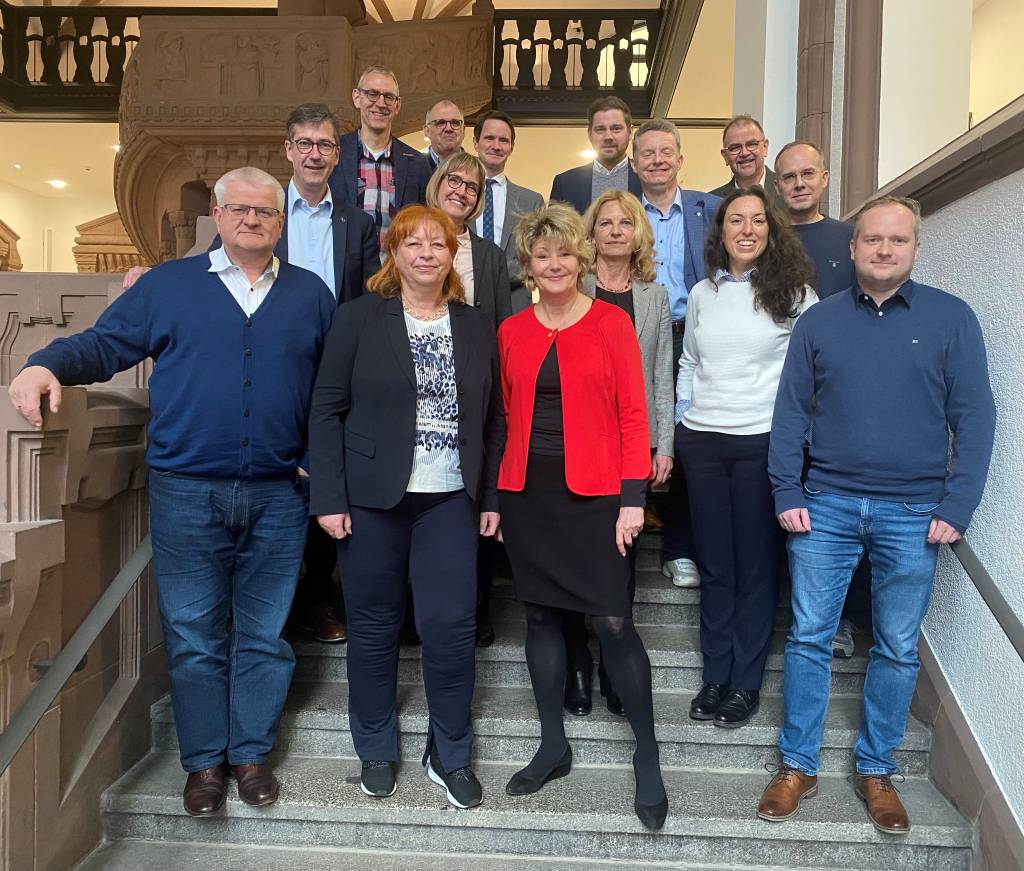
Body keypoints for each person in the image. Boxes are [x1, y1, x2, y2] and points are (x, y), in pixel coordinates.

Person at [8, 166, 336, 817]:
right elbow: (105, 344)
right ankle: (205, 765)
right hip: (186, 490)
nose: (252, 219)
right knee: (193, 634)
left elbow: (331, 390)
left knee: (265, 635)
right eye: (240, 208)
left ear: (281, 222)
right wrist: (44, 363)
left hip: (278, 495)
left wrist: (313, 463)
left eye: (265, 211)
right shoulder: (169, 285)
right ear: (219, 211)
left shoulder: (309, 294)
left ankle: (250, 756)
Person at [758, 196, 995, 834]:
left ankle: (876, 769)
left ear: (915, 248)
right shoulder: (820, 321)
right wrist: (787, 491)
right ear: (853, 247)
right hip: (826, 503)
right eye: (872, 239)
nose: (884, 249)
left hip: (915, 511)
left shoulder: (951, 319)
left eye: (897, 240)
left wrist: (959, 504)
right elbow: (790, 412)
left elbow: (975, 418)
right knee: (809, 637)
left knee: (895, 645)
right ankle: (797, 765)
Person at [308, 205, 505, 810]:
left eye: (437, 244)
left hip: (450, 499)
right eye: (412, 243)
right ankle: (376, 747)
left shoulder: (475, 325)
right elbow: (326, 409)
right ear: (392, 252)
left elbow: (494, 419)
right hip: (371, 499)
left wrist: (490, 496)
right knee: (373, 627)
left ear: (452, 256)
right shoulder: (358, 317)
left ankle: (450, 753)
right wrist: (329, 496)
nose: (425, 253)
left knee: (450, 628)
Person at [497, 203, 667, 831]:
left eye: (565, 253)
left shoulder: (610, 323)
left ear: (582, 260)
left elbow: (634, 415)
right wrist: (495, 497)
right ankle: (552, 745)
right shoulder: (512, 329)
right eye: (542, 255)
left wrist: (633, 498)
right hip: (528, 493)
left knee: (613, 622)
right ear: (528, 265)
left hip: (597, 494)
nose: (554, 264)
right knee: (541, 617)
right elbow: (502, 416)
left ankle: (647, 755)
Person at [678, 187, 817, 728]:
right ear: (721, 231)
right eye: (736, 220)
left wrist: (796, 438)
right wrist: (684, 417)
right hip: (703, 442)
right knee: (715, 565)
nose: (747, 230)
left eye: (758, 220)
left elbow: (812, 375)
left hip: (763, 442)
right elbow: (689, 361)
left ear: (771, 230)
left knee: (756, 567)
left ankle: (745, 682)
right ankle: (715, 675)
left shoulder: (797, 295)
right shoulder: (703, 292)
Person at [555, 189, 674, 719]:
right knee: (572, 556)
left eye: (626, 222)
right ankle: (577, 661)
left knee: (620, 558)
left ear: (639, 232)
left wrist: (663, 445)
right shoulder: (572, 285)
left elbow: (662, 374)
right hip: (573, 441)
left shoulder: (654, 295)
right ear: (592, 232)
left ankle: (612, 662)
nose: (616, 231)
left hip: (631, 444)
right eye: (605, 223)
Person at [774, 139, 864, 659]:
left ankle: (839, 619)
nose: (799, 183)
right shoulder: (764, 235)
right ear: (777, 184)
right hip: (775, 395)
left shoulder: (848, 239)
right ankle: (791, 612)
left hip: (836, 397)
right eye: (789, 176)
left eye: (808, 174)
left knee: (833, 512)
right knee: (786, 507)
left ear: (825, 178)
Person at [425, 151, 514, 645]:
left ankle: (476, 607)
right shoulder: (405, 235)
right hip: (417, 387)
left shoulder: (490, 256)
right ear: (438, 182)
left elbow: (500, 327)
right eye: (454, 180)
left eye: (472, 187)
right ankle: (417, 609)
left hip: (473, 387)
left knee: (473, 495)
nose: (461, 191)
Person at [633, 118, 721, 588]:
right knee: (639, 434)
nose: (657, 160)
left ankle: (681, 548)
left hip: (696, 338)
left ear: (681, 159)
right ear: (634, 163)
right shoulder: (622, 213)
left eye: (666, 152)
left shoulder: (713, 210)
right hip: (639, 338)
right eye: (647, 153)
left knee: (688, 440)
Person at [329, 66, 432, 251]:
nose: (381, 103)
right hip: (344, 266)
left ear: (397, 105)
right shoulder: (334, 154)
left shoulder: (417, 164)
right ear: (357, 98)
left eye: (389, 97)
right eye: (373, 94)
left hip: (396, 267)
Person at [471, 110, 544, 311]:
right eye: (489, 138)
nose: (496, 146)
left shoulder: (531, 201)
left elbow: (535, 255)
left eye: (503, 140)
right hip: (464, 302)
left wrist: (491, 276)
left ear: (511, 147)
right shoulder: (457, 197)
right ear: (476, 142)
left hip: (515, 303)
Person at [549, 95, 642, 213]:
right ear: (589, 134)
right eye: (600, 129)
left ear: (630, 132)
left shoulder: (646, 179)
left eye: (616, 128)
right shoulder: (565, 183)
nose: (608, 137)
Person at [710, 114, 782, 206]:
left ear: (765, 147)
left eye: (751, 144)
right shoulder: (711, 202)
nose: (744, 153)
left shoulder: (788, 190)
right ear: (725, 156)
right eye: (735, 147)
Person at [424, 100, 466, 171]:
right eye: (440, 123)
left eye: (455, 123)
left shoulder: (478, 170)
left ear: (463, 130)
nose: (448, 128)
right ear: (427, 131)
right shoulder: (413, 169)